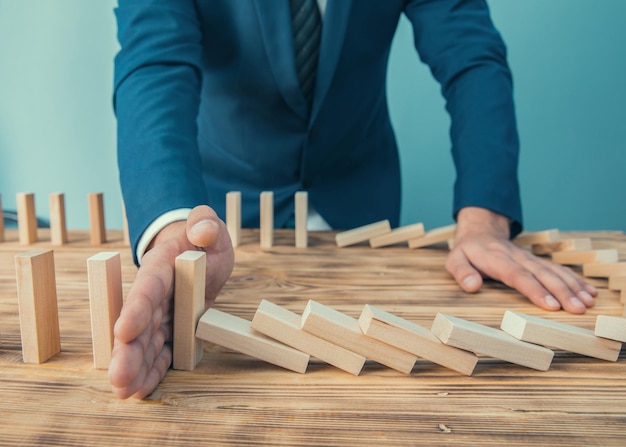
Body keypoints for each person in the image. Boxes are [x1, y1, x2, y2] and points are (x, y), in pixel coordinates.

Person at [109, 0, 597, 399]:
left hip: (362, 200)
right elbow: (155, 64)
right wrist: (173, 226)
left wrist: (484, 218)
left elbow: (470, 55)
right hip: (223, 217)